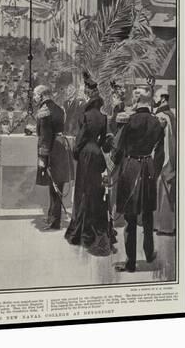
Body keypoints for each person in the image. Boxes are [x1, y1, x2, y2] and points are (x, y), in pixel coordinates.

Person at [112, 86, 164, 272]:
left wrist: (114, 164)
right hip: (148, 168)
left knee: (130, 218)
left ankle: (131, 263)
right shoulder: (157, 122)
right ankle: (149, 254)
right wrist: (155, 171)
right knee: (148, 215)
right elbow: (160, 152)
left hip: (131, 168)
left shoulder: (129, 121)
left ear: (136, 100)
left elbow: (117, 148)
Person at [64, 77, 114, 254]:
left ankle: (82, 232)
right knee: (96, 192)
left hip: (86, 154)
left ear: (88, 93)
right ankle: (96, 230)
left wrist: (76, 152)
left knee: (82, 191)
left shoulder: (85, 115)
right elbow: (104, 139)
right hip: (97, 154)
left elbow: (81, 138)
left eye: (85, 90)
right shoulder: (103, 116)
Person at [33, 84, 73, 230]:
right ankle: (52, 216)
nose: (34, 98)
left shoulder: (44, 111)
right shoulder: (59, 108)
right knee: (57, 185)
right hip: (61, 147)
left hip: (51, 150)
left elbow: (44, 136)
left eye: (35, 95)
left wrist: (42, 158)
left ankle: (54, 221)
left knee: (54, 186)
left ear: (43, 95)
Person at [154, 87, 176, 235]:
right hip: (168, 157)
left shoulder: (163, 116)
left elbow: (168, 140)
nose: (154, 99)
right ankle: (164, 225)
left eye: (156, 96)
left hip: (165, 158)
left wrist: (166, 161)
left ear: (162, 98)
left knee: (163, 191)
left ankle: (165, 226)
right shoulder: (171, 114)